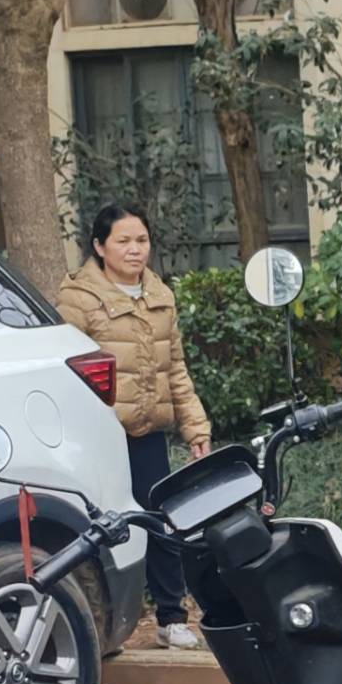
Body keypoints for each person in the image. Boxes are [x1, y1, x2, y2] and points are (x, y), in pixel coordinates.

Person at [55, 204, 212, 651]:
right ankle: (98, 624)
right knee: (99, 526)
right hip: (98, 437)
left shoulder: (160, 295)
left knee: (161, 520)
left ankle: (171, 617)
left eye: (141, 240)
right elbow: (64, 369)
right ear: (99, 246)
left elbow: (175, 368)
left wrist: (196, 427)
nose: (134, 249)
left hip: (147, 432)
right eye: (122, 241)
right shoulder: (78, 298)